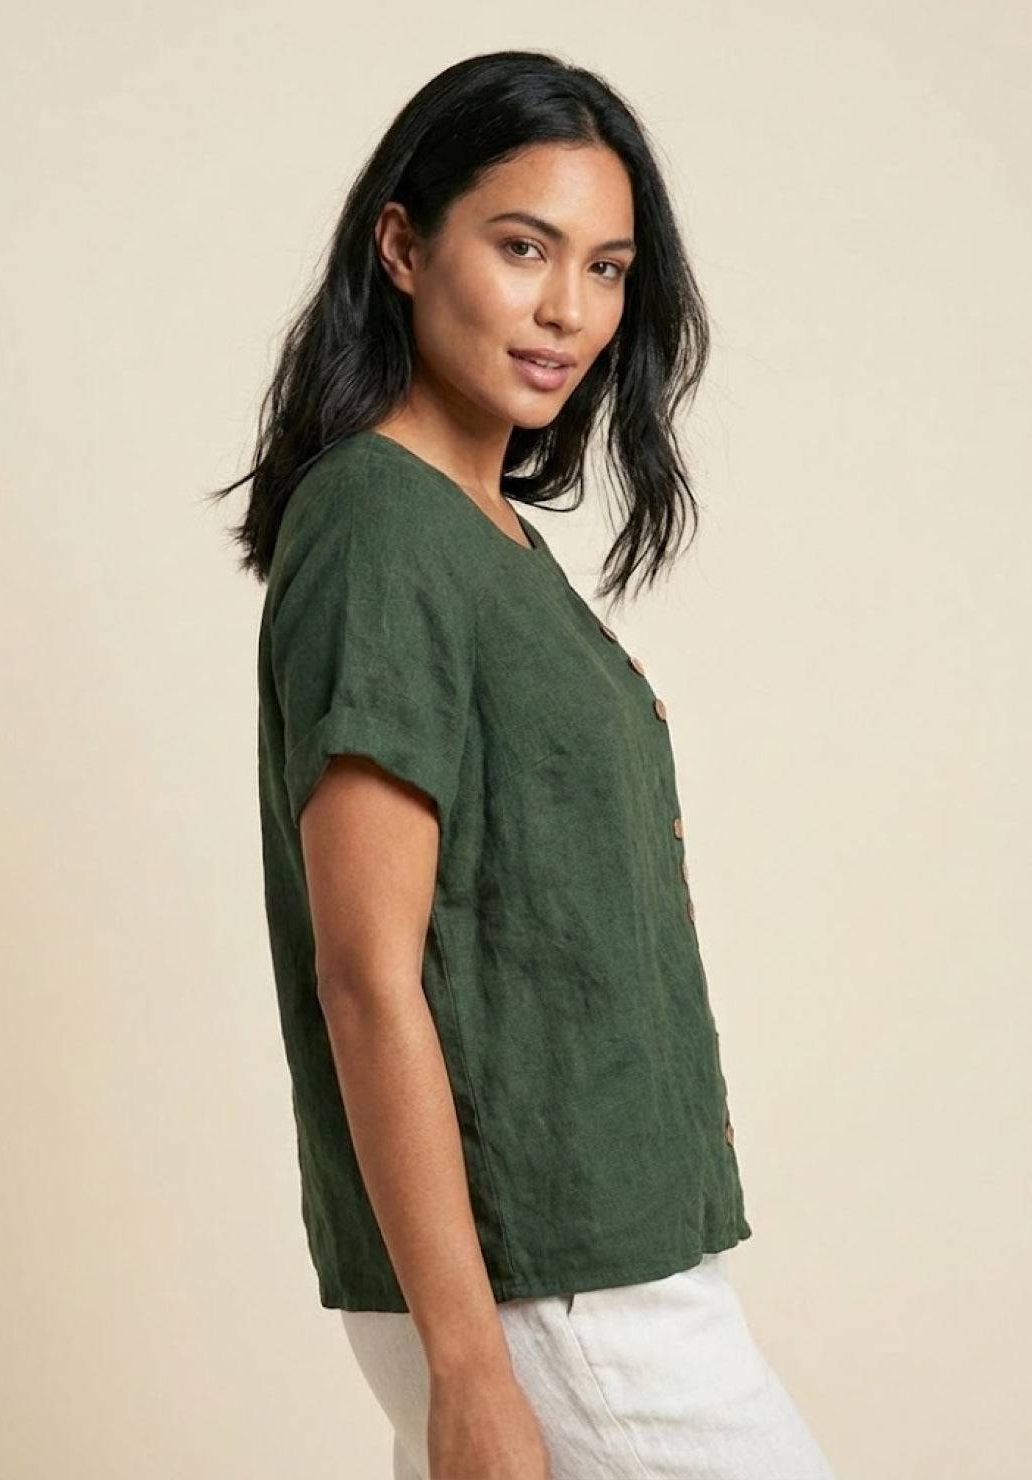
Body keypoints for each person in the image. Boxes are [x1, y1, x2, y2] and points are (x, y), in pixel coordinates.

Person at [209, 48, 837, 1480]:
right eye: (522, 247)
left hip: (586, 1261)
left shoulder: (478, 531)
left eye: (606, 268)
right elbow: (368, 975)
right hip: (544, 1280)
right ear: (401, 245)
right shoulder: (381, 526)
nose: (570, 310)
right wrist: (467, 1369)